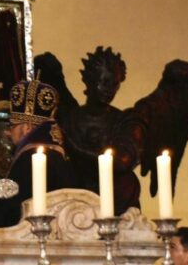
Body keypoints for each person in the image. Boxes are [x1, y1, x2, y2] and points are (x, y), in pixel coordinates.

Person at [58, 47, 143, 216]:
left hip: (116, 199)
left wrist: (73, 147)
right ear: (90, 80)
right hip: (75, 201)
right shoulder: (69, 119)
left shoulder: (123, 121)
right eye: (104, 82)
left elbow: (122, 162)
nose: (109, 89)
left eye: (115, 84)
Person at [0, 79, 73, 228]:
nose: (7, 133)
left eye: (12, 126)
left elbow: (7, 217)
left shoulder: (29, 160)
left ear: (27, 128)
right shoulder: (61, 156)